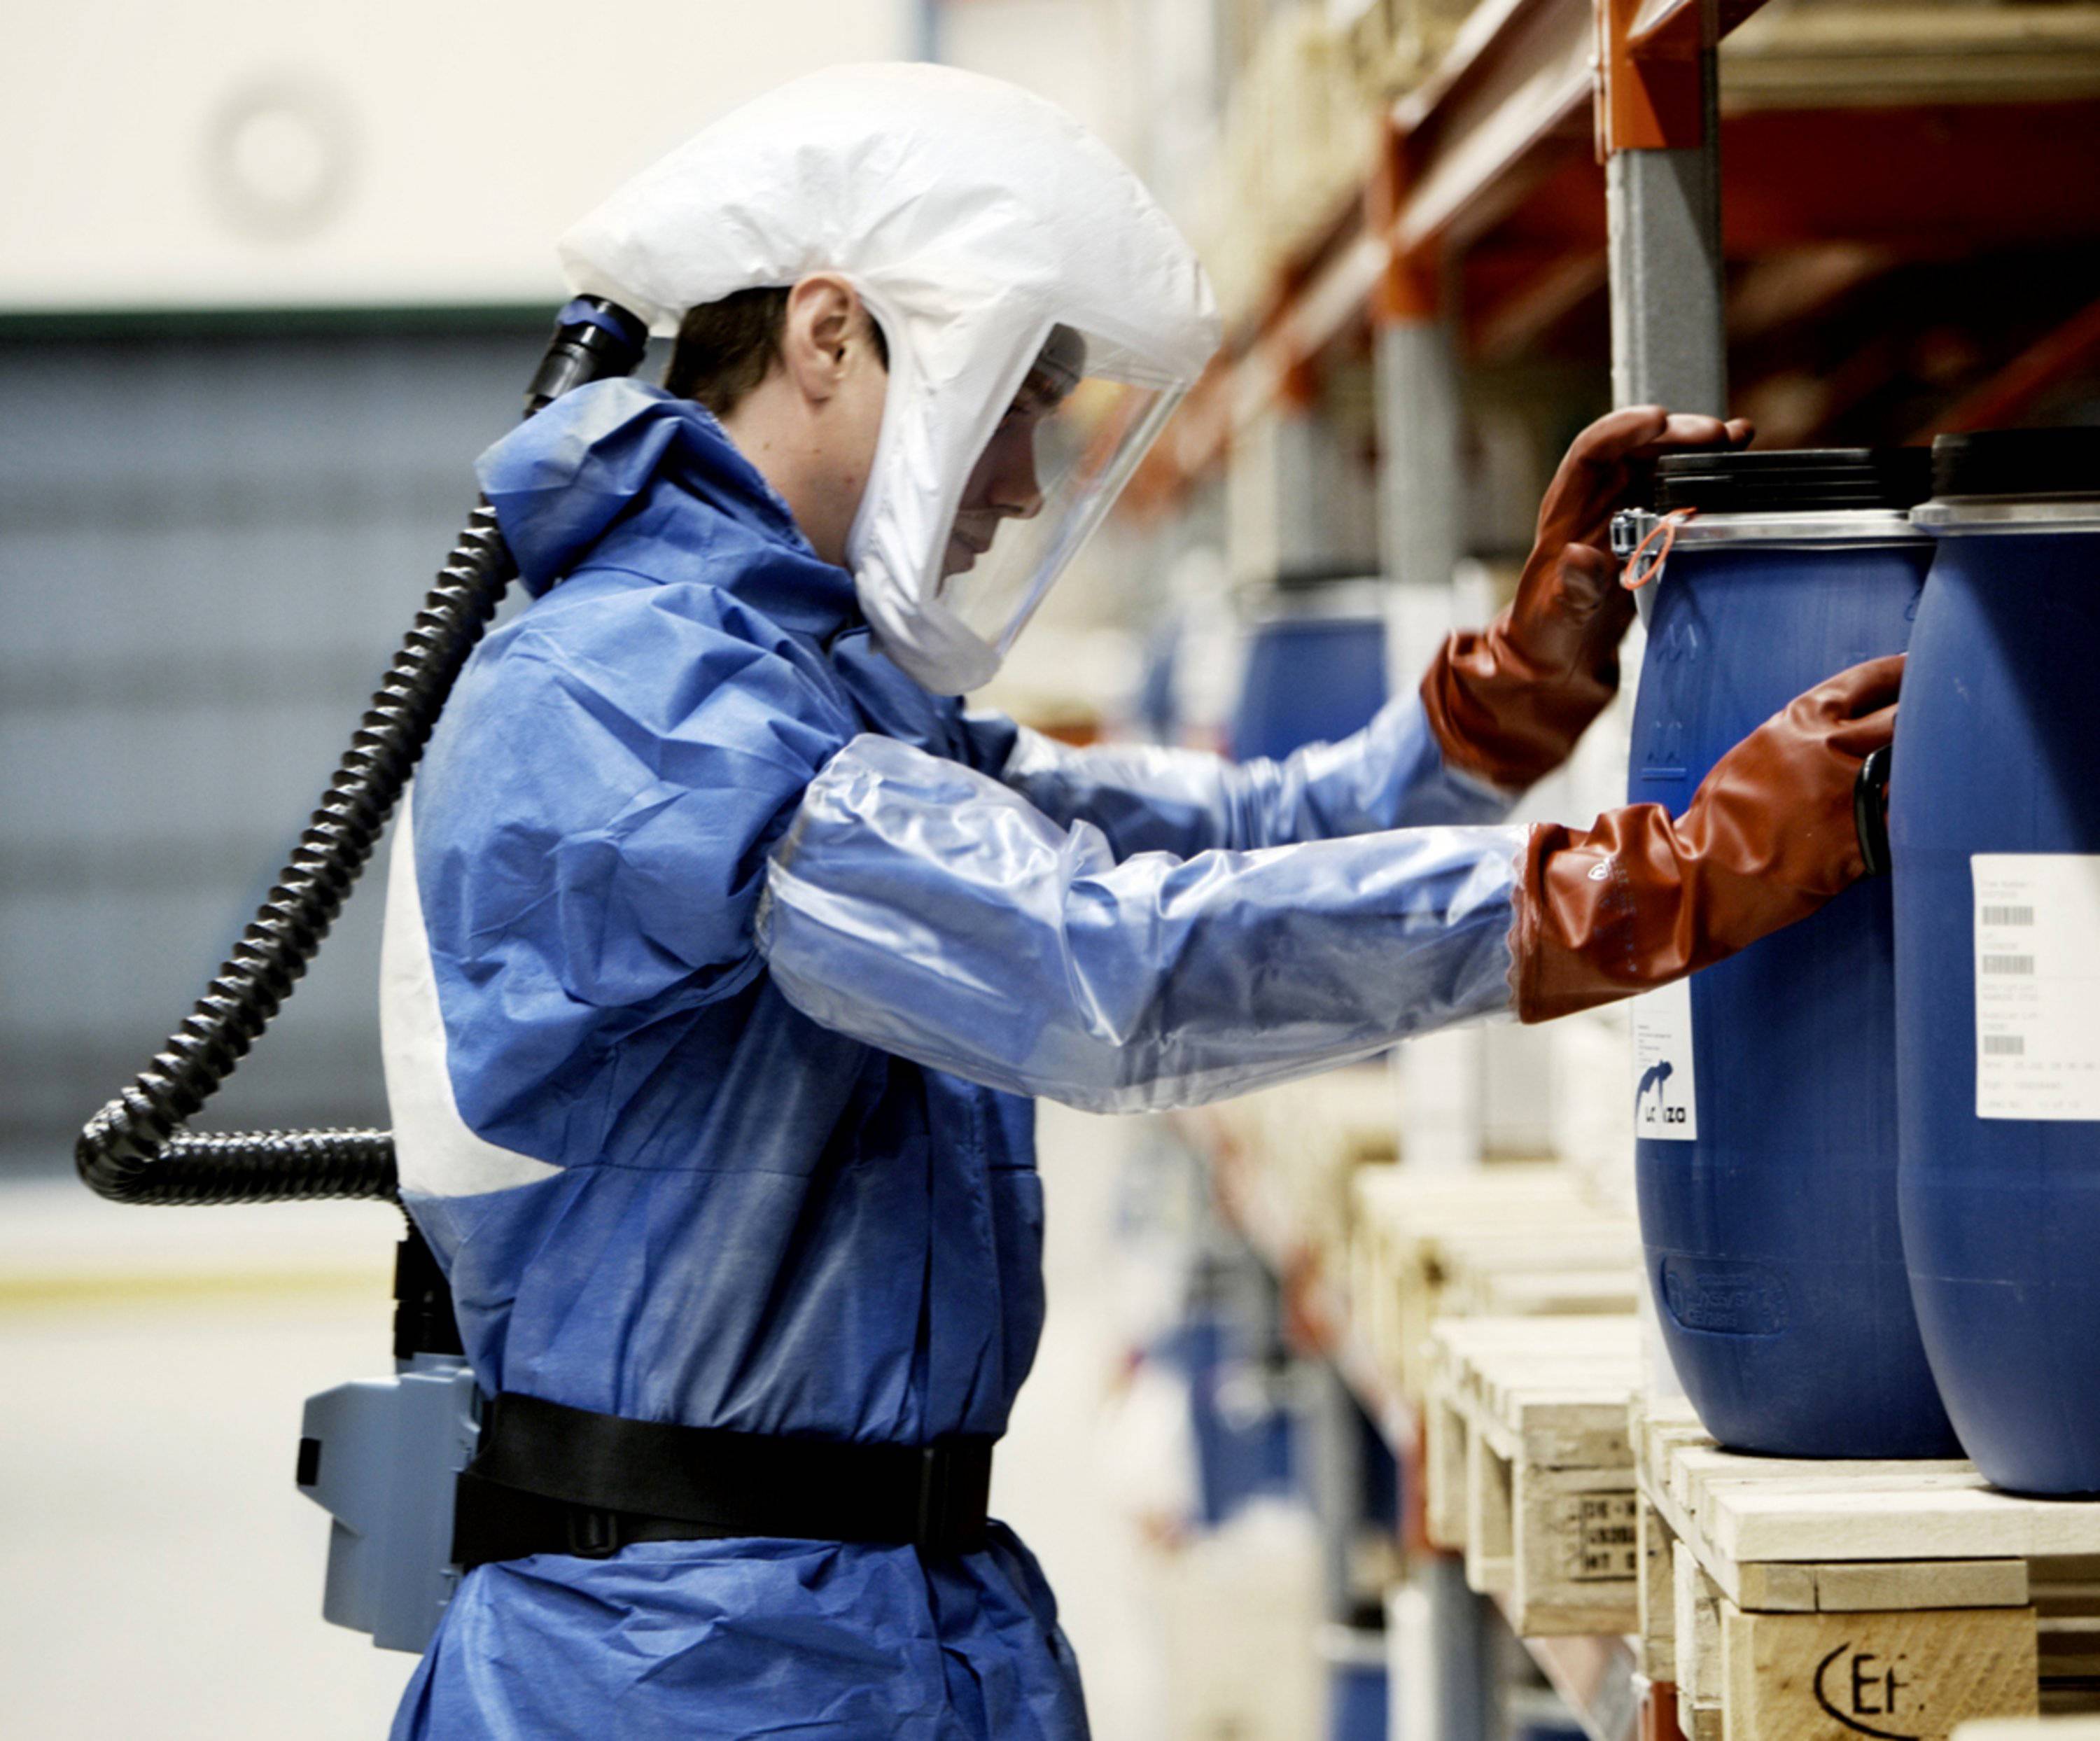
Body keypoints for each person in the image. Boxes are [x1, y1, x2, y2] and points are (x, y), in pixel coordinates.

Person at [379, 63, 1898, 1740]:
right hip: (683, 1661)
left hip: (849, 1621)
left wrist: (1510, 692)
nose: (1028, 479)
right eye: (1021, 394)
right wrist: (1648, 886)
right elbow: (1112, 972)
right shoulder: (642, 702)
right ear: (831, 335)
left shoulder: (812, 695)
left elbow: (1233, 837)